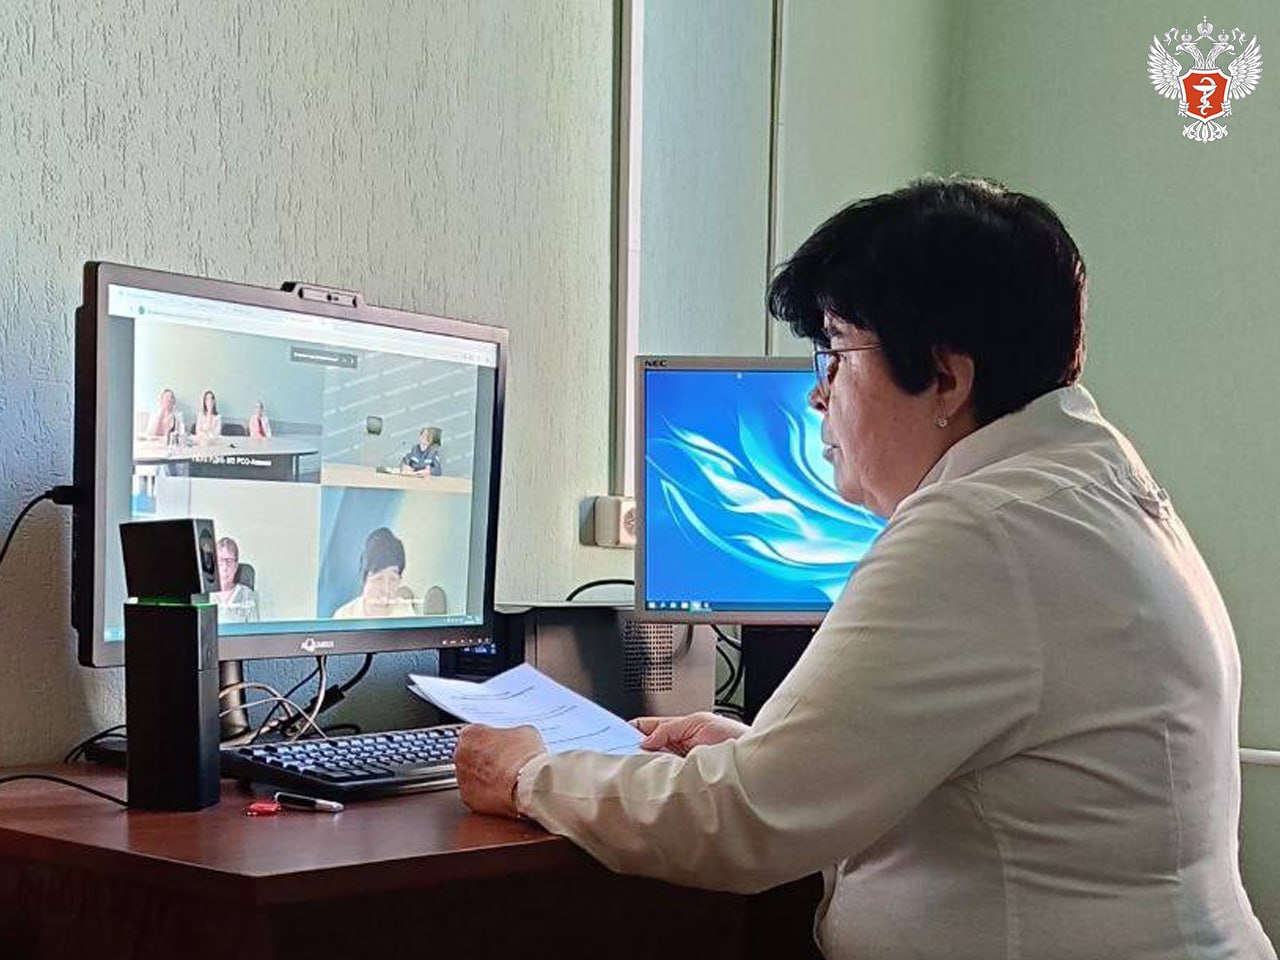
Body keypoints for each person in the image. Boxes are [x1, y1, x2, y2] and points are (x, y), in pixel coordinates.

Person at [453, 177, 1276, 959]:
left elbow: (738, 824)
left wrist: (529, 774)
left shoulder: (979, 531)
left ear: (946, 377)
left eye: (837, 355)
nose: (819, 396)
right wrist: (772, 751)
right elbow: (1009, 781)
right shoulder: (1085, 487)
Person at [331, 527, 417, 618]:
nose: (386, 589)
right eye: (379, 579)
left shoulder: (405, 614)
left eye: (393, 579)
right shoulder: (344, 616)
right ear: (364, 579)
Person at [211, 536, 259, 623]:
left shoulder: (247, 595)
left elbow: (254, 629)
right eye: (220, 561)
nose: (225, 567)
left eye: (229, 561)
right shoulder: (205, 596)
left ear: (236, 566)